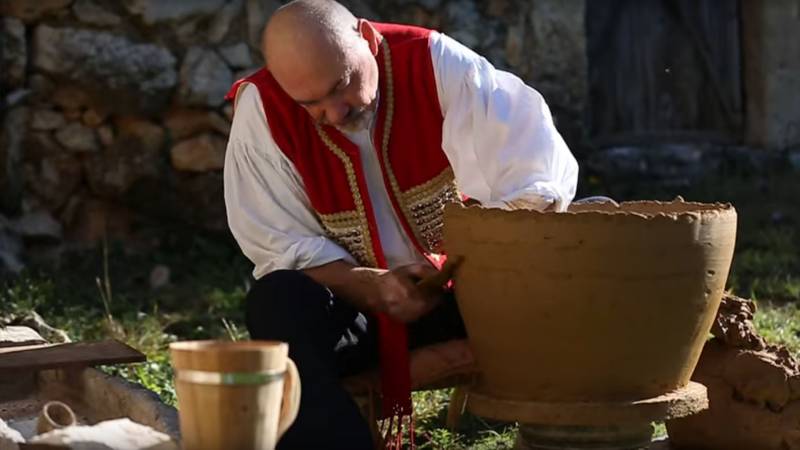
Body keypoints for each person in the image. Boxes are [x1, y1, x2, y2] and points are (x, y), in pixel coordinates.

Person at [222, 0, 579, 448]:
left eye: (343, 86)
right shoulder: (264, 108)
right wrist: (372, 286)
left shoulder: (434, 62)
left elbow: (536, 178)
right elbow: (282, 246)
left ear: (368, 41)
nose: (334, 113)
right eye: (310, 104)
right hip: (360, 311)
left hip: (473, 298)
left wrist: (476, 267)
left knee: (587, 249)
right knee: (276, 302)